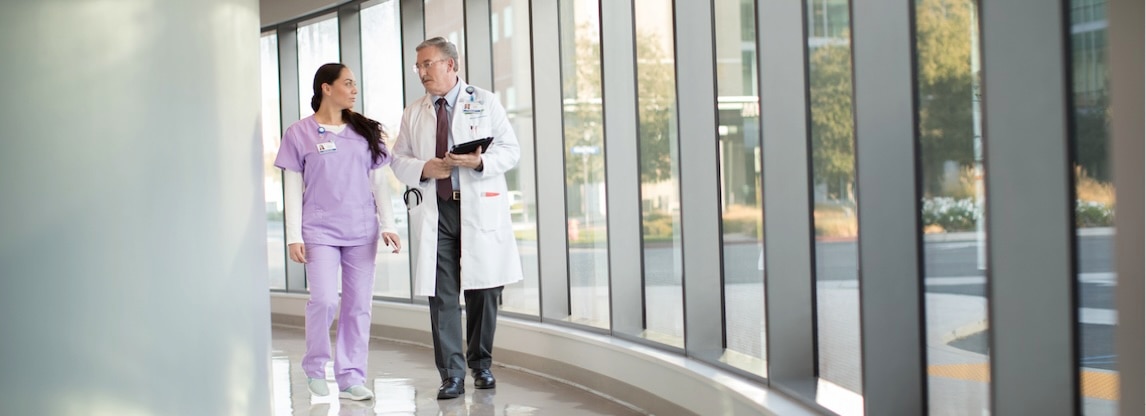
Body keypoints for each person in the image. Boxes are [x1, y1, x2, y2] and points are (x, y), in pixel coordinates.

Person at [390, 37, 523, 400]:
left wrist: (479, 162)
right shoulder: (413, 111)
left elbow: (511, 150)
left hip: (478, 206)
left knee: (485, 290)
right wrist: (424, 167)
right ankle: (451, 374)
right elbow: (397, 159)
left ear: (451, 65)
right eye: (418, 66)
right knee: (442, 296)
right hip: (439, 209)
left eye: (427, 64)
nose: (421, 72)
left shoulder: (484, 101)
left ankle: (481, 364)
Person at [274, 63, 402, 401]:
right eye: (347, 83)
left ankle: (350, 377)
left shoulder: (363, 133)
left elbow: (379, 184)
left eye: (355, 84)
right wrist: (293, 236)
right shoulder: (298, 133)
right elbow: (291, 187)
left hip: (362, 231)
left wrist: (389, 225)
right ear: (326, 88)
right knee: (325, 300)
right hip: (319, 231)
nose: (354, 89)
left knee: (358, 305)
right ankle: (315, 366)